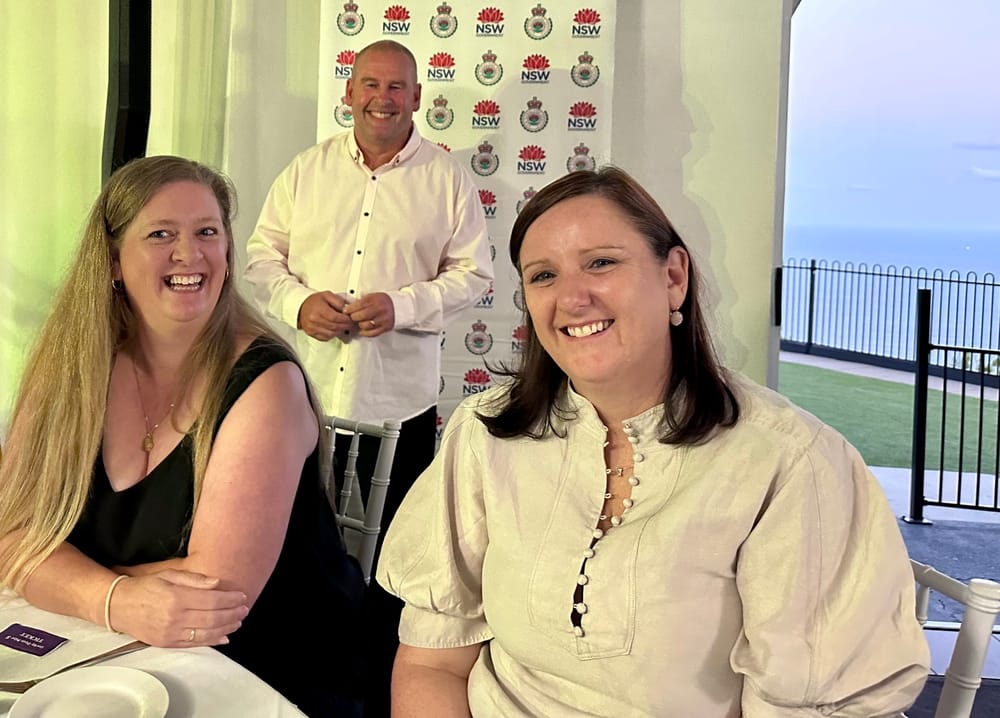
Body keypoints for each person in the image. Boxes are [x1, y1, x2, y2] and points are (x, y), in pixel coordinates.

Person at [376, 166, 930, 717]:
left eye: (601, 263)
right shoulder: (486, 431)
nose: (571, 298)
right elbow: (433, 661)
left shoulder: (791, 463)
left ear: (674, 278)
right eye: (543, 276)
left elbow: (812, 707)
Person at [0, 156, 365, 717]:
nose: (189, 254)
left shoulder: (267, 382)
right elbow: (11, 534)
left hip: (268, 667)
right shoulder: (70, 366)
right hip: (112, 648)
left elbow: (215, 594)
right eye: (161, 234)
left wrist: (60, 573)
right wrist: (117, 597)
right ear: (112, 260)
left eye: (207, 233)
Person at [245, 39, 493, 715]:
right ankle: (300, 681)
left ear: (417, 98)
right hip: (306, 398)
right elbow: (261, 258)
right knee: (297, 545)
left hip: (398, 403)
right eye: (371, 84)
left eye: (397, 87)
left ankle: (380, 690)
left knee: (396, 564)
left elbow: (475, 273)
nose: (383, 98)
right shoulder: (306, 170)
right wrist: (299, 304)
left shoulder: (447, 179)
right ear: (349, 93)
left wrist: (403, 306)